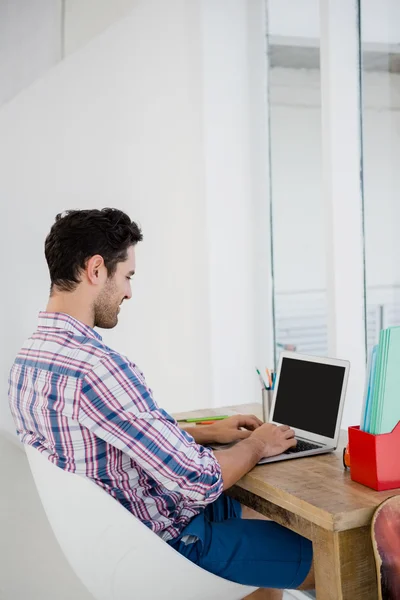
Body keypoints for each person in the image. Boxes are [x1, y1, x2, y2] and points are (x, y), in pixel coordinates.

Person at [8, 208, 314, 599]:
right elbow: (197, 480)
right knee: (333, 554)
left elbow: (109, 432)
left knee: (271, 534)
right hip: (168, 542)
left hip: (115, 541)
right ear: (96, 270)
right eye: (128, 276)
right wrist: (259, 443)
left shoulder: (29, 362)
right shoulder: (97, 368)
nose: (129, 292)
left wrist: (204, 432)